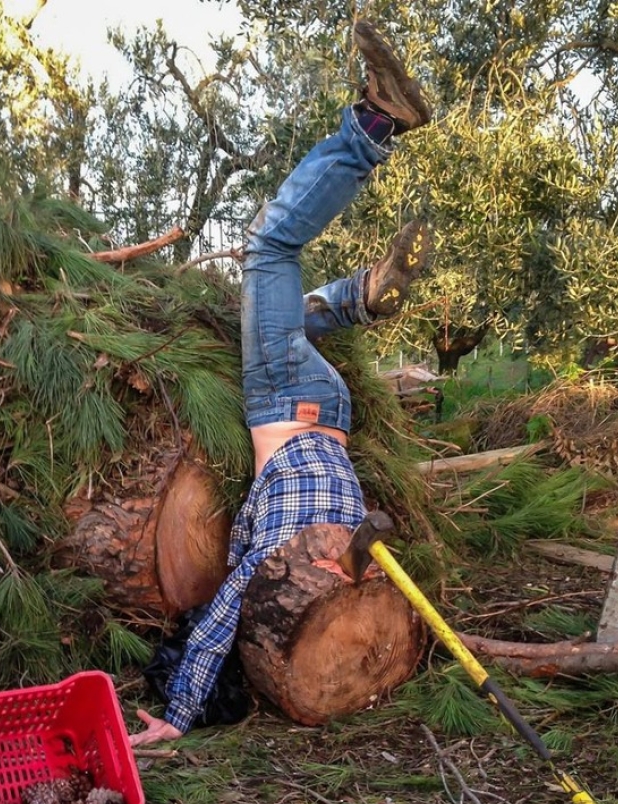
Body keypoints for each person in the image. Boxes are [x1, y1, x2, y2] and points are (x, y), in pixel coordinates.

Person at [129, 19, 432, 746]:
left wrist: (177, 718)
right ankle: (373, 130)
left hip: (326, 411)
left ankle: (357, 282)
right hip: (285, 402)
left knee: (274, 290)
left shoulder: (352, 542)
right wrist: (175, 715)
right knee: (269, 250)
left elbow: (227, 622)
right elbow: (212, 632)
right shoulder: (284, 558)